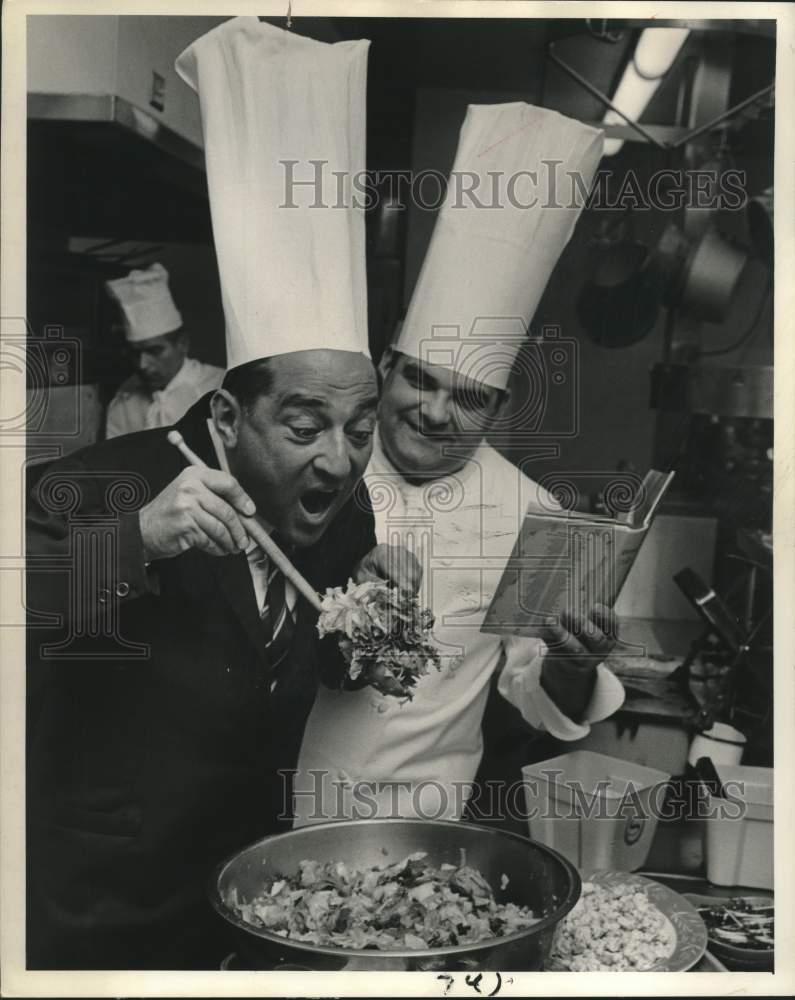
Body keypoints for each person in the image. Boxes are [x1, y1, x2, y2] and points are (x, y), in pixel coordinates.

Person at [25, 18, 412, 971]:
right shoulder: (101, 482)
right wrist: (137, 542)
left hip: (254, 901)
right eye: (305, 425)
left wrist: (377, 630)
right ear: (229, 414)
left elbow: (323, 669)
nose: (337, 460)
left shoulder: (344, 511)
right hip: (102, 911)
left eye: (360, 429)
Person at [294, 102, 626, 826]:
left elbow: (539, 698)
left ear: (500, 406)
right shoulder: (312, 472)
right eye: (419, 379)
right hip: (275, 805)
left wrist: (574, 663)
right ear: (385, 365)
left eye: (470, 398)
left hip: (425, 826)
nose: (436, 413)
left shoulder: (542, 518)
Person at [104, 262, 224, 438]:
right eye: (134, 353)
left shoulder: (220, 386)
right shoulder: (125, 400)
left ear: (182, 344)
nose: (143, 364)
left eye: (154, 351)